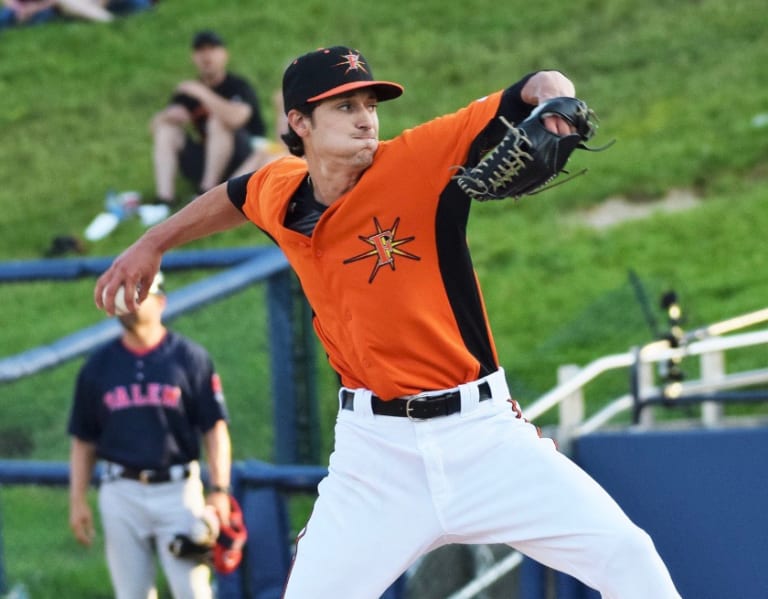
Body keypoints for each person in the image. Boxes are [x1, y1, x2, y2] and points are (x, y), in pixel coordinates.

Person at [95, 46, 682, 598]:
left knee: (627, 554)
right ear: (299, 122)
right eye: (344, 106)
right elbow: (235, 193)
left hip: (483, 438)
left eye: (370, 105)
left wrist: (557, 100)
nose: (365, 120)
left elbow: (536, 88)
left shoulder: (419, 162)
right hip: (373, 459)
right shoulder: (279, 189)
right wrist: (153, 242)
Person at [69, 271, 232, 599]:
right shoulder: (97, 366)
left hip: (178, 491)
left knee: (194, 592)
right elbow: (83, 441)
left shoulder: (189, 358)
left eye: (137, 295)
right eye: (123, 296)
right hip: (121, 491)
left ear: (161, 302)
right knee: (131, 595)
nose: (128, 304)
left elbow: (214, 428)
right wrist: (77, 499)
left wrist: (219, 489)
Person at [148, 29, 267, 216]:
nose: (206, 56)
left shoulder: (237, 85)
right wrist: (167, 116)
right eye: (201, 51)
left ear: (224, 54)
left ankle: (206, 192)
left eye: (212, 49)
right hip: (208, 158)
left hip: (244, 158)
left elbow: (238, 118)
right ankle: (165, 199)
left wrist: (202, 93)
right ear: (193, 57)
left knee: (218, 123)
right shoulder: (186, 93)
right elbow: (155, 129)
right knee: (167, 130)